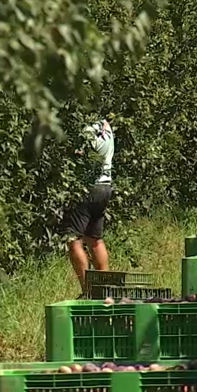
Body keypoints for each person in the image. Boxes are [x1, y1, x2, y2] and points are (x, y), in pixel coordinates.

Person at [63, 118, 114, 294]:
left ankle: (88, 291)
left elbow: (78, 153)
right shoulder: (106, 128)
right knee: (94, 239)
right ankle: (105, 289)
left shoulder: (86, 131)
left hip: (88, 188)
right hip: (105, 187)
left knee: (73, 240)